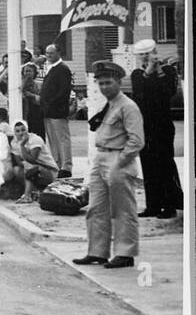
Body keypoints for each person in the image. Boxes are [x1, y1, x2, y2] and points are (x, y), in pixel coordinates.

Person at [73, 60, 144, 269]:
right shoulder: (109, 104)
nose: (104, 87)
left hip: (118, 158)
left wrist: (120, 162)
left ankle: (125, 253)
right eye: (101, 83)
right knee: (97, 208)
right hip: (101, 157)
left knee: (123, 209)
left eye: (108, 83)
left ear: (119, 82)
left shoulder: (128, 107)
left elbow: (137, 140)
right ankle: (97, 251)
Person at [130, 40, 182, 219]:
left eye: (148, 53)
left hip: (163, 124)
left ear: (155, 52)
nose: (146, 57)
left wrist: (158, 69)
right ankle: (153, 204)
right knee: (148, 165)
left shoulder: (167, 71)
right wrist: (148, 71)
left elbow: (169, 92)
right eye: (142, 54)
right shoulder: (137, 74)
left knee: (165, 163)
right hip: (145, 125)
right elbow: (139, 95)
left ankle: (169, 205)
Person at [39, 43, 74, 177]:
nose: (48, 56)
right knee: (52, 139)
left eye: (51, 53)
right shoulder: (50, 68)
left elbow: (64, 90)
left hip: (57, 111)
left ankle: (66, 166)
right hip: (48, 112)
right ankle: (57, 164)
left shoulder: (62, 69)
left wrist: (51, 102)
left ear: (58, 53)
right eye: (47, 53)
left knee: (62, 139)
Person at [9, 119, 59, 203]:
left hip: (49, 171)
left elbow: (31, 159)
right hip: (34, 170)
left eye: (23, 130)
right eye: (17, 131)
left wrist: (21, 145)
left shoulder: (35, 139)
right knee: (17, 170)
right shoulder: (14, 142)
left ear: (27, 129)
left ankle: (27, 196)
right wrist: (24, 164)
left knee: (29, 166)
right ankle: (35, 192)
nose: (21, 133)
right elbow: (18, 162)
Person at [20, 62, 44, 137]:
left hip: (36, 111)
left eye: (30, 71)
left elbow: (39, 98)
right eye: (26, 71)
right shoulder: (20, 83)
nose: (28, 73)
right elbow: (21, 91)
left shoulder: (38, 84)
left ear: (34, 73)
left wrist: (31, 95)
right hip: (24, 111)